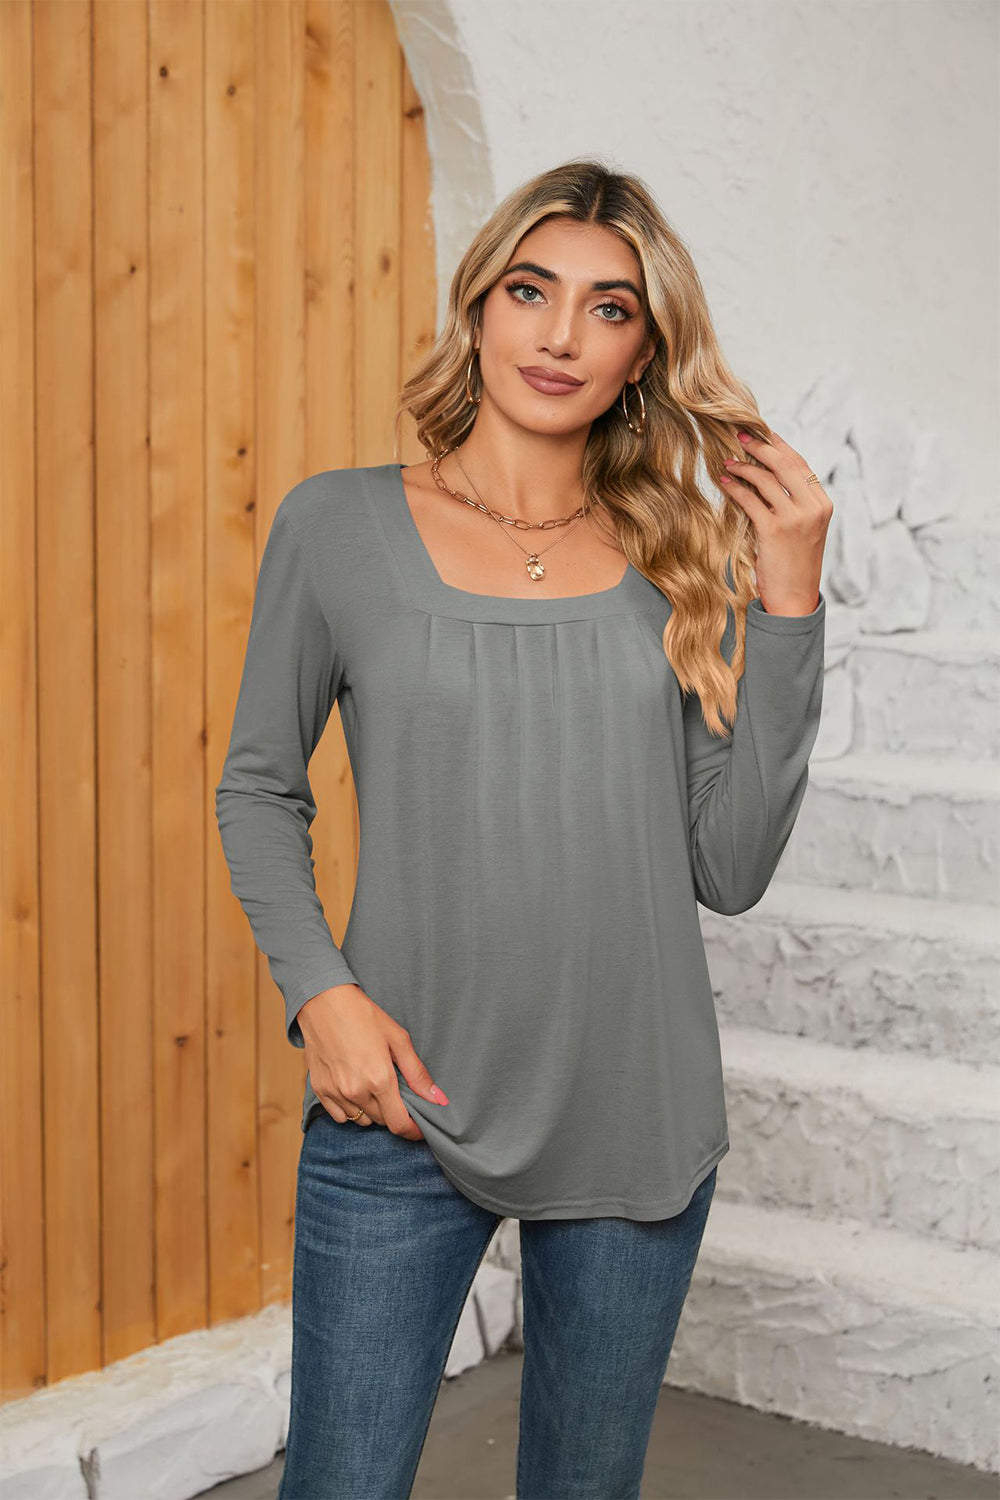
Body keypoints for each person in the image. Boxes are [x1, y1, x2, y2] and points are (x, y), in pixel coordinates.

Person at [214, 158, 832, 1500]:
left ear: (644, 353)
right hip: (402, 1101)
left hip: (634, 1108)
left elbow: (729, 869)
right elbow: (257, 785)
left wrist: (788, 602)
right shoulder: (339, 525)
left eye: (609, 309)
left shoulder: (683, 556)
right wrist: (323, 996)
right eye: (530, 291)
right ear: (479, 306)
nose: (560, 336)